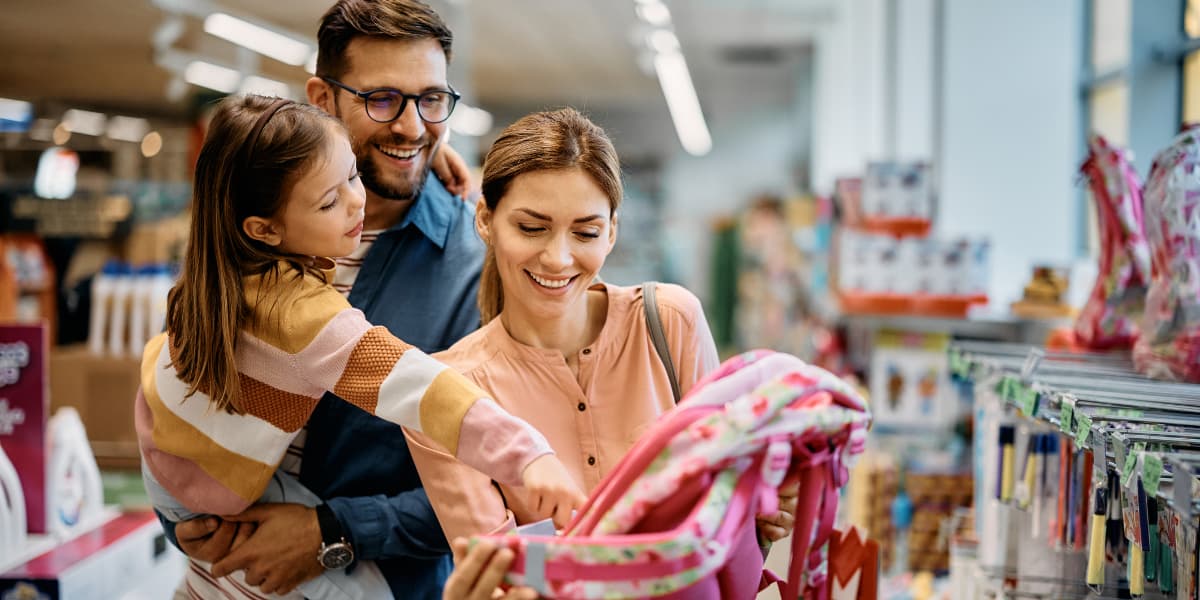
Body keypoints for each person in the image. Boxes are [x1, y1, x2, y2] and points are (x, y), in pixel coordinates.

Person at [138, 94, 585, 598]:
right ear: (264, 229)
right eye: (329, 200)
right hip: (213, 499)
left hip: (168, 464)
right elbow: (423, 388)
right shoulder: (302, 316)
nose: (358, 202)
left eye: (353, 175)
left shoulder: (210, 280)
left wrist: (433, 155)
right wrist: (529, 456)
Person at [164, 2, 495, 598]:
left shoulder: (476, 269)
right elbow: (184, 395)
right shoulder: (251, 229)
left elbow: (494, 482)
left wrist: (334, 531)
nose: (414, 127)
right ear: (321, 97)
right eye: (384, 99)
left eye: (431, 99)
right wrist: (182, 518)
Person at [406, 108, 799, 557]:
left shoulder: (670, 323)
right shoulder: (448, 392)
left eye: (586, 232)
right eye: (531, 228)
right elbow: (497, 577)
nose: (558, 258)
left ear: (612, 231)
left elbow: (725, 504)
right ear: (484, 220)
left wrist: (761, 505)